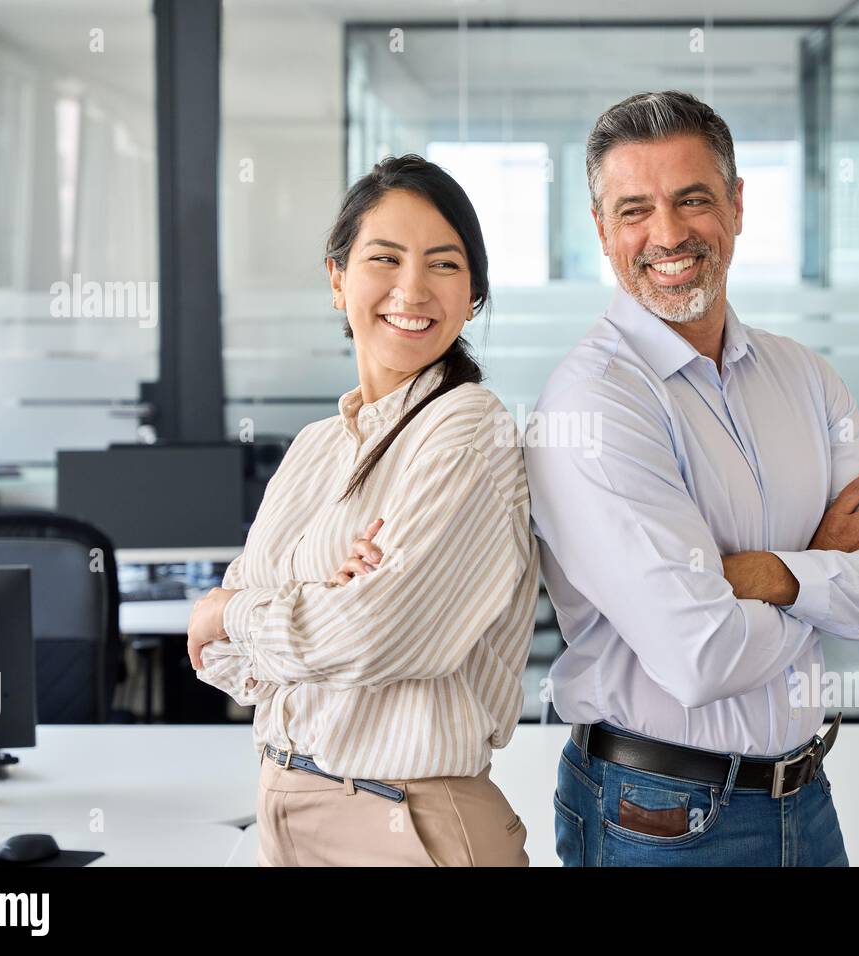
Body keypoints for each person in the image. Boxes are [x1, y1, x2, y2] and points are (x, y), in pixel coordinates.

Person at [525, 91, 859, 866]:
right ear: (600, 229)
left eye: (693, 199)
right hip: (657, 820)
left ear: (738, 205)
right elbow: (701, 655)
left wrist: (775, 575)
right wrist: (828, 565)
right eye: (634, 210)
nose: (669, 235)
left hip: (806, 802)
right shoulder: (593, 403)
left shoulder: (802, 376)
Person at [187, 154, 539, 867]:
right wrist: (316, 601)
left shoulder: (469, 427)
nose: (412, 289)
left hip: (407, 822)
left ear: (473, 295)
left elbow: (381, 633)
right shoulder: (317, 446)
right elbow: (221, 664)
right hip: (284, 802)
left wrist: (234, 609)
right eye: (385, 258)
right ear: (337, 277)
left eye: (444, 264)